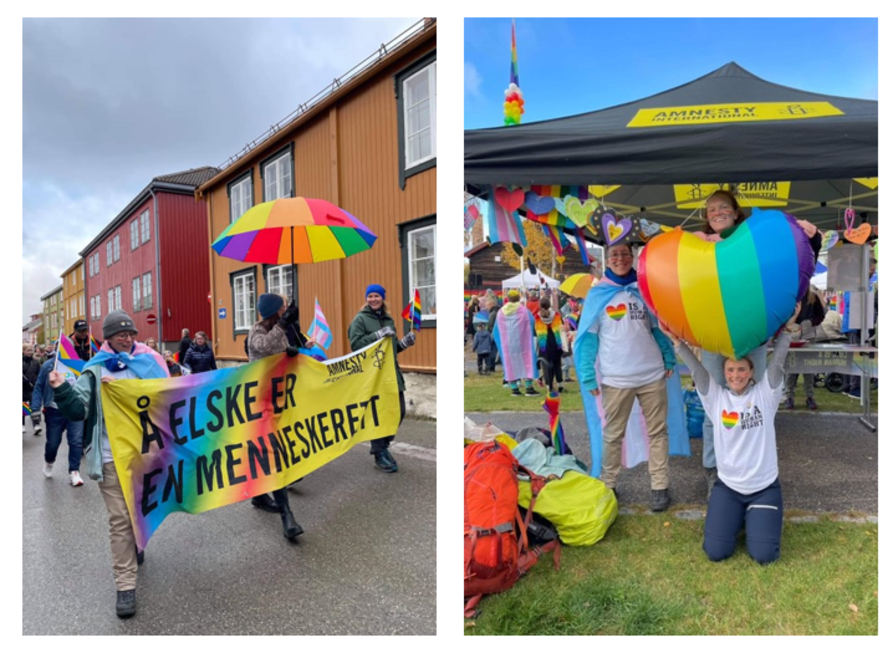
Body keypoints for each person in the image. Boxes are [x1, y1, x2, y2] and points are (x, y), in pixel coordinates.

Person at [694, 190, 819, 498]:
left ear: (736, 212)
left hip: (754, 335)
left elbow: (794, 256)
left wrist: (813, 239)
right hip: (714, 337)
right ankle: (715, 471)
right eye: (712, 209)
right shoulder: (697, 244)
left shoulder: (753, 237)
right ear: (706, 216)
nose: (717, 212)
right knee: (714, 408)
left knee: (759, 403)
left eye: (724, 207)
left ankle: (756, 470)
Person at [49, 309, 170, 618]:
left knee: (140, 509)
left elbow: (172, 398)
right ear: (108, 337)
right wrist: (62, 388)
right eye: (121, 334)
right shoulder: (95, 371)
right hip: (110, 457)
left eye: (131, 333)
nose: (127, 339)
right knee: (119, 519)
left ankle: (138, 540)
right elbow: (78, 410)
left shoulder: (151, 361)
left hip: (147, 455)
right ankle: (125, 585)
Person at [665, 308, 797, 565]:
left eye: (741, 370)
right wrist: (678, 343)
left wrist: (789, 327)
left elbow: (778, 361)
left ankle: (753, 518)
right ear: (724, 374)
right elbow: (698, 371)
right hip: (728, 488)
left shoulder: (765, 395)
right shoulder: (717, 399)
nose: (736, 375)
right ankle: (739, 516)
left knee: (764, 556)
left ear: (751, 372)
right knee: (716, 552)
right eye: (730, 371)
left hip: (764, 488)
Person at [575, 242, 676, 512]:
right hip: (616, 379)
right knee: (612, 435)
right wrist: (587, 376)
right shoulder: (598, 295)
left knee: (658, 432)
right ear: (607, 260)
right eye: (614, 254)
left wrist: (668, 357)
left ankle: (659, 485)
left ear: (632, 257)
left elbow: (657, 329)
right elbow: (588, 340)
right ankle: (608, 484)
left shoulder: (643, 291)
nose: (620, 258)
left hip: (651, 375)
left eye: (625, 253)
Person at [244, 293, 306, 540]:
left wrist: (291, 352)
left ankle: (259, 496)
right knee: (274, 455)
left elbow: (278, 352)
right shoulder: (256, 331)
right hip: (259, 404)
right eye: (282, 306)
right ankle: (287, 515)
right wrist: (283, 324)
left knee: (266, 452)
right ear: (273, 311)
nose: (284, 309)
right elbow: (265, 347)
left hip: (280, 400)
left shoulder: (278, 328)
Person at [348, 284, 416, 473]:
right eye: (370, 296)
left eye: (377, 296)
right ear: (366, 299)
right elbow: (356, 345)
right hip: (373, 375)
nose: (373, 299)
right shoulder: (360, 320)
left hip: (392, 373)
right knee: (379, 414)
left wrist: (403, 343)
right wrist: (376, 335)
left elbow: (392, 348)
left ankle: (382, 444)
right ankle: (380, 452)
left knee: (398, 411)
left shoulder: (389, 319)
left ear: (383, 298)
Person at [30, 355, 85, 486]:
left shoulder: (78, 365)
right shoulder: (48, 365)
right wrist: (35, 408)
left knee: (76, 441)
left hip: (74, 408)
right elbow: (39, 387)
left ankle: (74, 471)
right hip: (54, 410)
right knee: (53, 443)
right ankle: (49, 460)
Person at [784, 286, 826, 410]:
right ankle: (789, 397)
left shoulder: (813, 296)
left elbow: (820, 316)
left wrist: (811, 322)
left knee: (808, 367)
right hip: (792, 336)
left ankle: (810, 397)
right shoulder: (790, 295)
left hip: (809, 336)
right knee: (791, 367)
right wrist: (791, 323)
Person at [493, 289, 538, 396]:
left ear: (508, 299)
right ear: (518, 298)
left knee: (510, 364)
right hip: (523, 341)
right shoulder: (523, 310)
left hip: (507, 343)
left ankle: (514, 389)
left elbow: (496, 328)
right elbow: (531, 322)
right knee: (527, 361)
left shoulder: (501, 312)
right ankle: (529, 388)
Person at [534, 297, 565, 392]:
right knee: (557, 364)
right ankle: (560, 385)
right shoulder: (556, 315)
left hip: (544, 345)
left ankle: (549, 386)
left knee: (546, 366)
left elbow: (535, 332)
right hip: (556, 343)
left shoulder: (537, 317)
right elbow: (561, 328)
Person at [23, 344, 42, 435]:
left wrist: (38, 382)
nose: (30, 352)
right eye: (27, 350)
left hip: (33, 388)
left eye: (31, 350)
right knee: (23, 406)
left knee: (34, 406)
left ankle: (36, 425)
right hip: (22, 388)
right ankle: (22, 424)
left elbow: (39, 373)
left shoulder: (35, 362)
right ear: (23, 351)